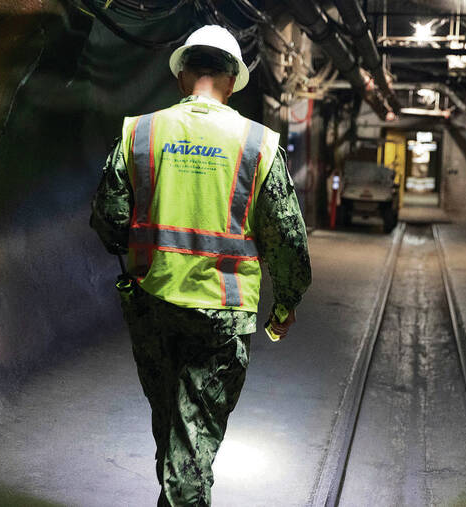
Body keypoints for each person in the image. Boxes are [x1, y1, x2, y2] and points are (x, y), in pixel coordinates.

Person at [89, 25, 311, 506]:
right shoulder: (258, 144)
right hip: (222, 315)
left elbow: (109, 221)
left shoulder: (140, 132)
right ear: (232, 82)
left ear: (182, 76)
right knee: (191, 444)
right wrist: (286, 303)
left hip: (151, 305)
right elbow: (289, 240)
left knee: (171, 426)